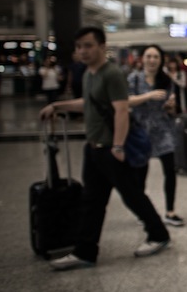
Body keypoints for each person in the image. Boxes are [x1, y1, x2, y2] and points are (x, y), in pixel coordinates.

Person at [39, 26, 170, 270]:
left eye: (88, 45)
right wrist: (58, 106)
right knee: (92, 200)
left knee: (132, 195)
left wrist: (118, 146)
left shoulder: (112, 74)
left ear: (101, 46)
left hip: (110, 148)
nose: (83, 51)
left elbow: (121, 110)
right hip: (94, 147)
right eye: (79, 47)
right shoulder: (89, 75)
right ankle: (86, 250)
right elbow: (87, 104)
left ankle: (158, 234)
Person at [128, 44, 184, 227]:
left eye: (156, 57)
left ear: (161, 61)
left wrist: (171, 106)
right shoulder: (134, 79)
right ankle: (143, 212)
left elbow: (173, 109)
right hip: (141, 131)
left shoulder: (166, 80)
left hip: (164, 130)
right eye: (148, 56)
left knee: (170, 171)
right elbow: (126, 100)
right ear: (142, 59)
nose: (152, 60)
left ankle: (170, 211)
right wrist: (149, 96)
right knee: (139, 175)